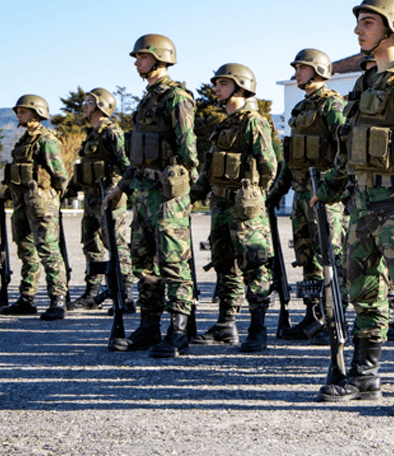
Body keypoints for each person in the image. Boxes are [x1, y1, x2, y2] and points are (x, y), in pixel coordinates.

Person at [314, 0, 394, 416]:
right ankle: (364, 374)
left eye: (367, 23)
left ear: (392, 28)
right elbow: (347, 146)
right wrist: (329, 188)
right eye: (359, 23)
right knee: (364, 290)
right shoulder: (364, 83)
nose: (357, 30)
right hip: (363, 203)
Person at [104, 34, 199, 358]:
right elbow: (137, 157)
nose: (136, 63)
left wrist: (181, 190)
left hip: (167, 196)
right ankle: (149, 327)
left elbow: (188, 150)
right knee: (143, 263)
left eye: (141, 57)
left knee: (173, 263)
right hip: (143, 194)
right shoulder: (147, 99)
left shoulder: (176, 98)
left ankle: (179, 331)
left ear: (159, 59)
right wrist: (120, 188)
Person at [190, 64, 277, 353]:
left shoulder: (253, 122)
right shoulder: (223, 126)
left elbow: (269, 165)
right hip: (221, 204)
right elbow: (209, 167)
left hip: (244, 207)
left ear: (241, 87)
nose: (216, 88)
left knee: (254, 264)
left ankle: (258, 328)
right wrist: (194, 195)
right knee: (224, 264)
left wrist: (254, 196)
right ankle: (226, 324)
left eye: (223, 83)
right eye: (216, 83)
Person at [267, 49, 347, 341]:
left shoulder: (332, 105)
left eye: (302, 67)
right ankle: (313, 316)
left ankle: (333, 319)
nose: (296, 72)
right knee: (307, 257)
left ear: (318, 71)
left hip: (323, 195)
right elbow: (291, 157)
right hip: (301, 194)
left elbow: (345, 150)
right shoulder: (301, 108)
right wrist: (277, 192)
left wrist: (331, 189)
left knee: (330, 257)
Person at [0, 94, 70, 321]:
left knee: (48, 250)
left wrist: (52, 196)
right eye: (18, 112)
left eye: (23, 111)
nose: (19, 115)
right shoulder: (24, 140)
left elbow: (60, 174)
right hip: (21, 202)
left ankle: (58, 299)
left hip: (41, 203)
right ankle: (27, 298)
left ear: (37, 113)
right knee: (26, 250)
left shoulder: (46, 139)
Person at [67, 88, 135, 313]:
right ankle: (92, 293)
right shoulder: (92, 133)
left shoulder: (112, 132)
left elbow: (126, 165)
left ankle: (125, 294)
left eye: (89, 102)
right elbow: (85, 165)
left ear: (101, 106)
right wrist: (70, 189)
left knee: (116, 244)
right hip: (91, 197)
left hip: (109, 196)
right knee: (91, 244)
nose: (84, 106)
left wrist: (121, 190)